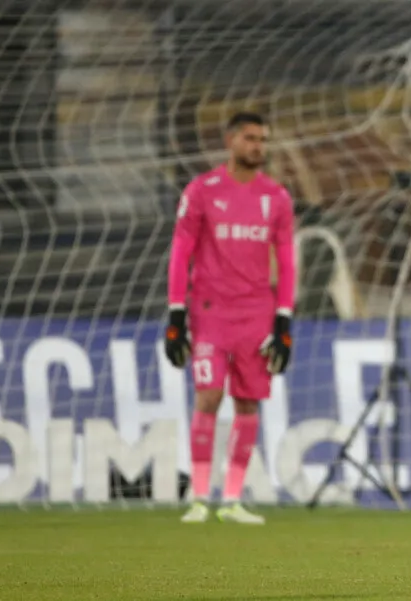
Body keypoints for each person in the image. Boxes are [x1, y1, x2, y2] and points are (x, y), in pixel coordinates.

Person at [164, 111, 296, 525]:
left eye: (263, 139)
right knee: (208, 395)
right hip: (210, 311)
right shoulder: (202, 190)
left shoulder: (276, 197)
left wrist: (284, 320)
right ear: (231, 140)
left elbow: (288, 261)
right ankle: (200, 498)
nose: (259, 146)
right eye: (252, 138)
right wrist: (175, 312)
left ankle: (233, 500)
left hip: (256, 313)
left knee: (248, 401)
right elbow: (181, 249)